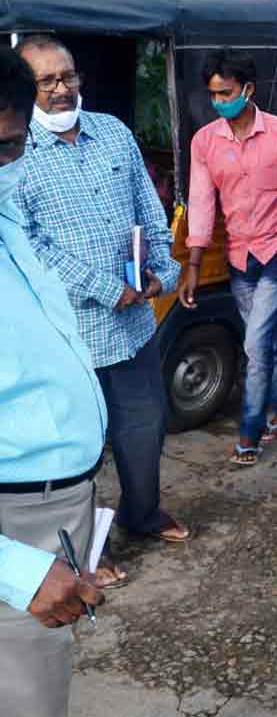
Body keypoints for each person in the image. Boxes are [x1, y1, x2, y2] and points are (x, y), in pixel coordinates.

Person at [16, 35, 191, 547]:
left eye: (67, 76)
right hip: (69, 334)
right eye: (46, 81)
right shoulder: (15, 152)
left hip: (134, 327)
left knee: (145, 426)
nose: (61, 89)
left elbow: (150, 209)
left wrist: (162, 271)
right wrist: (104, 288)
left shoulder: (112, 132)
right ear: (25, 89)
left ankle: (143, 514)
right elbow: (30, 243)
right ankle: (84, 551)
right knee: (79, 448)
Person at [0, 44, 107, 717]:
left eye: (7, 147)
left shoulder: (9, 212)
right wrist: (16, 569)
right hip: (14, 531)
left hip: (55, 512)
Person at [183, 47, 277, 466]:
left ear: (248, 89)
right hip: (239, 257)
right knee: (264, 342)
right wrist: (193, 264)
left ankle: (249, 431)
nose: (219, 102)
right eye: (214, 95)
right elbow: (201, 202)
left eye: (226, 93)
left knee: (255, 343)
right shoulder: (205, 142)